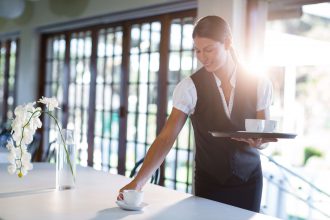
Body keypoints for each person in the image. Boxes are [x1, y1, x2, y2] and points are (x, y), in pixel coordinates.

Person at [117, 15, 277, 212]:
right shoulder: (189, 87)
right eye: (198, 50)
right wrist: (138, 182)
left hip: (249, 181)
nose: (202, 57)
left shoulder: (260, 83)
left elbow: (266, 135)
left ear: (227, 43)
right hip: (210, 183)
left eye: (208, 49)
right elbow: (167, 137)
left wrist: (261, 143)